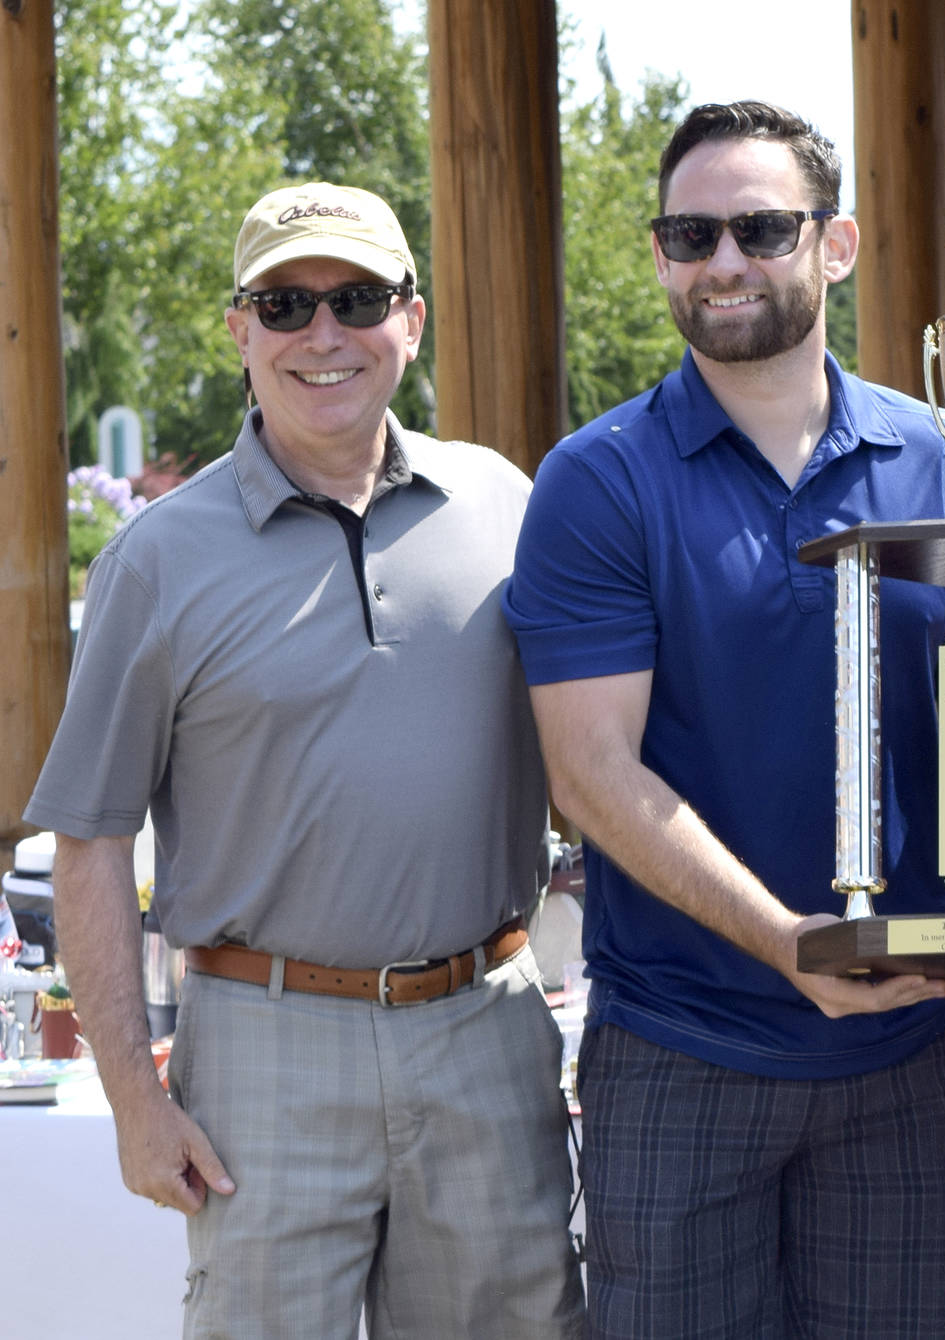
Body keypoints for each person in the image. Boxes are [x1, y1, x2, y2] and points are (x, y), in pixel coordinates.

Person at [502, 101, 945, 1339]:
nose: (724, 261)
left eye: (760, 226)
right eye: (690, 234)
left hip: (902, 1055)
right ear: (658, 255)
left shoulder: (943, 459)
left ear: (835, 244)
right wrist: (790, 945)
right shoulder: (600, 481)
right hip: (681, 1053)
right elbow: (591, 775)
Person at [28, 183, 582, 1337]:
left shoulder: (505, 503)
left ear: (411, 320)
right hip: (262, 1048)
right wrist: (135, 1095)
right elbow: (87, 838)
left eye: (357, 298)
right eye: (285, 303)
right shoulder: (157, 559)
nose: (322, 335)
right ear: (239, 330)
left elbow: (604, 752)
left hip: (487, 1024)